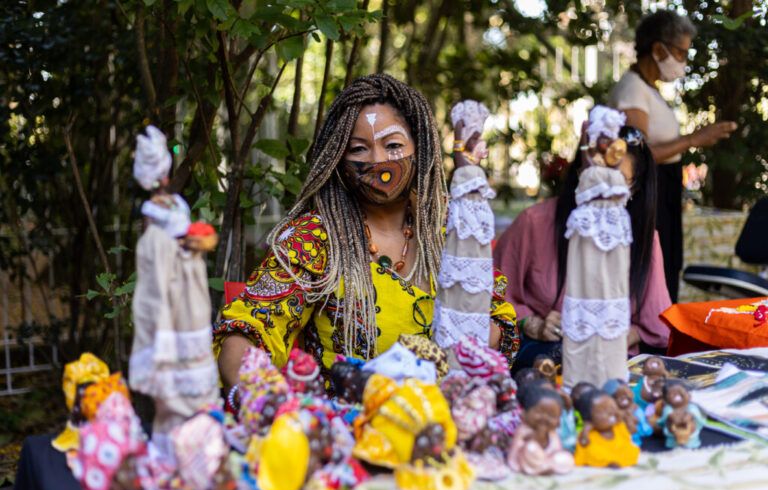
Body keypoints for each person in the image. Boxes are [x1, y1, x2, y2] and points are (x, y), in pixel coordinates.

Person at [214, 74, 517, 389]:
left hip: (450, 419)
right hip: (352, 426)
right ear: (338, 160)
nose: (378, 161)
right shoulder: (316, 240)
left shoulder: (448, 230)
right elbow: (246, 333)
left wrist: (456, 340)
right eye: (359, 149)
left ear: (421, 147)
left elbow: (498, 320)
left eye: (393, 145)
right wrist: (267, 402)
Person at [494, 126, 670, 374]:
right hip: (545, 360)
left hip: (614, 366)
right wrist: (531, 323)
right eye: (594, 173)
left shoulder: (644, 240)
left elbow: (658, 326)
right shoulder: (534, 223)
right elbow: (491, 295)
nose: (601, 186)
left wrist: (621, 337)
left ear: (634, 189)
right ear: (579, 172)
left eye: (614, 179)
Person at [609, 10, 737, 302]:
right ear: (658, 49)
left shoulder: (648, 90)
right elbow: (635, 155)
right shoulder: (632, 90)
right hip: (647, 195)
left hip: (663, 190)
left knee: (668, 267)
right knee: (655, 271)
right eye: (681, 52)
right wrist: (694, 139)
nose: (684, 61)